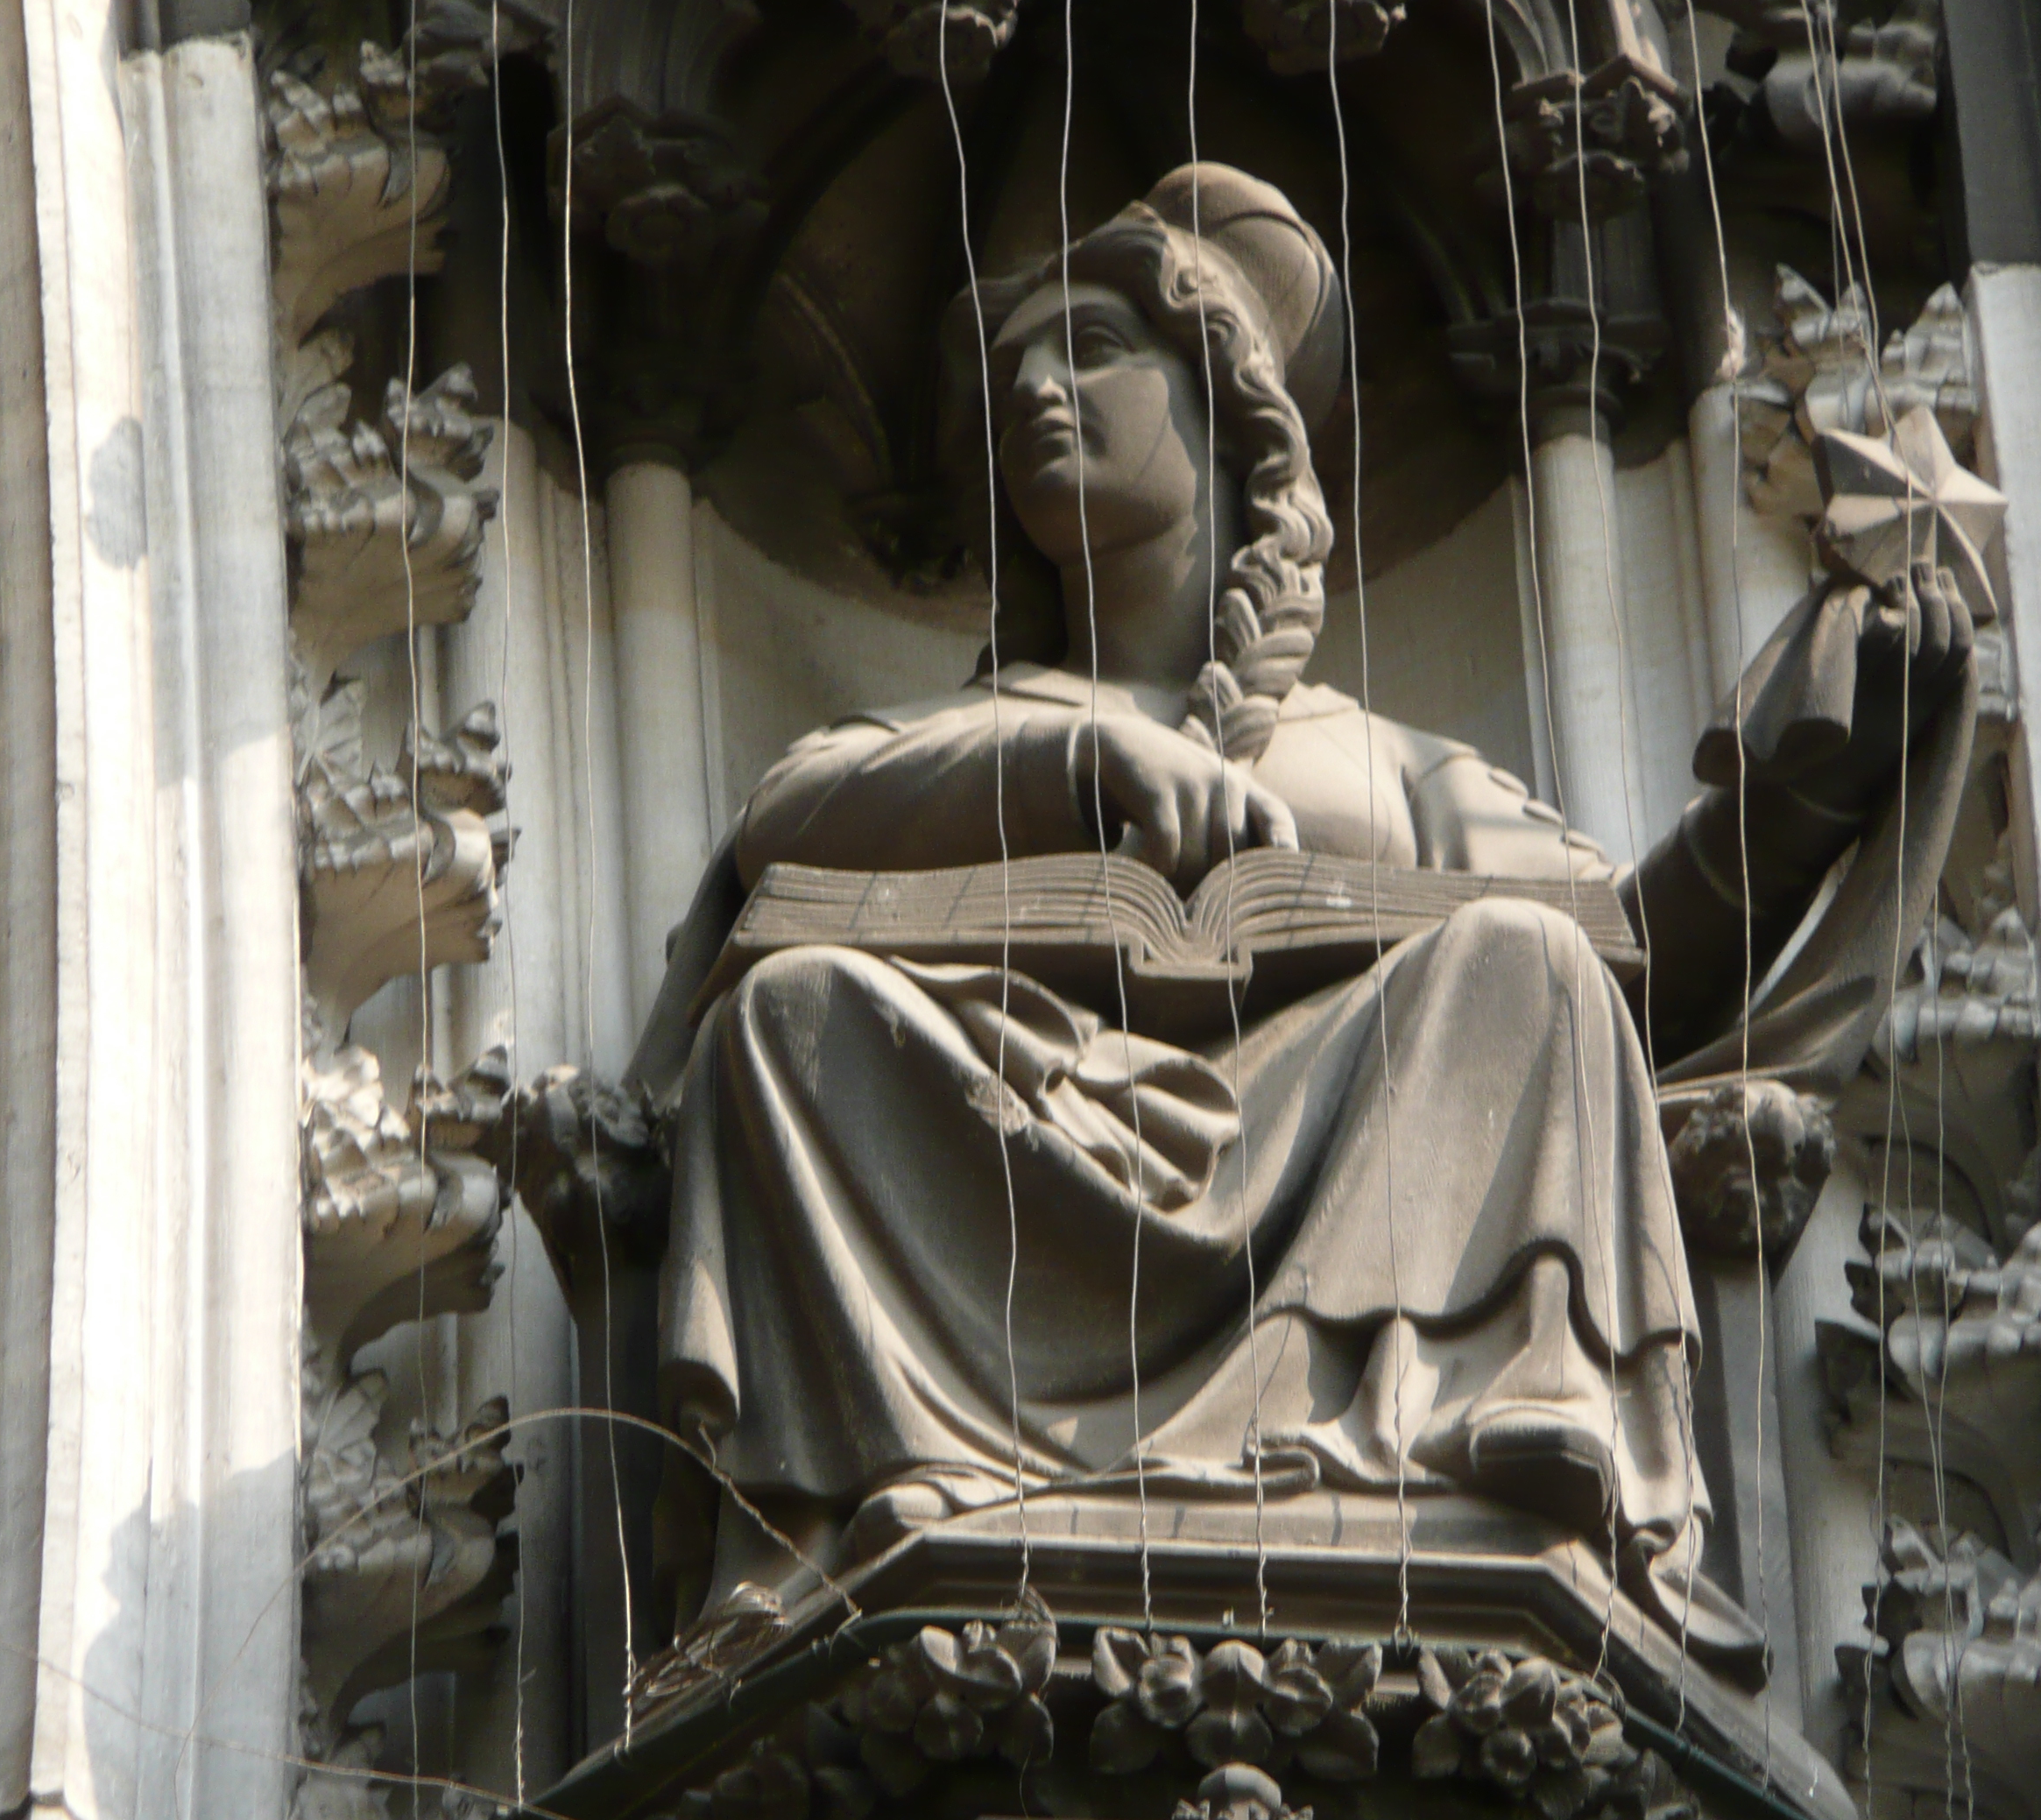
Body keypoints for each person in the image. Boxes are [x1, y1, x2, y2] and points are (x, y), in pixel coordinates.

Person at [643, 165, 1974, 1668]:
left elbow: (1633, 968)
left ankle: (1441, 1432)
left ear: (1228, 408)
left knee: (1527, 961)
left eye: (1089, 347)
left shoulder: (1373, 758)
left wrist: (1794, 798)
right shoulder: (978, 737)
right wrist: (1079, 754)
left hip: (1339, 1158)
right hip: (1027, 1163)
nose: (1034, 389)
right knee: (789, 1018)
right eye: (1013, 367)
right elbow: (785, 821)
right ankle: (910, 1462)